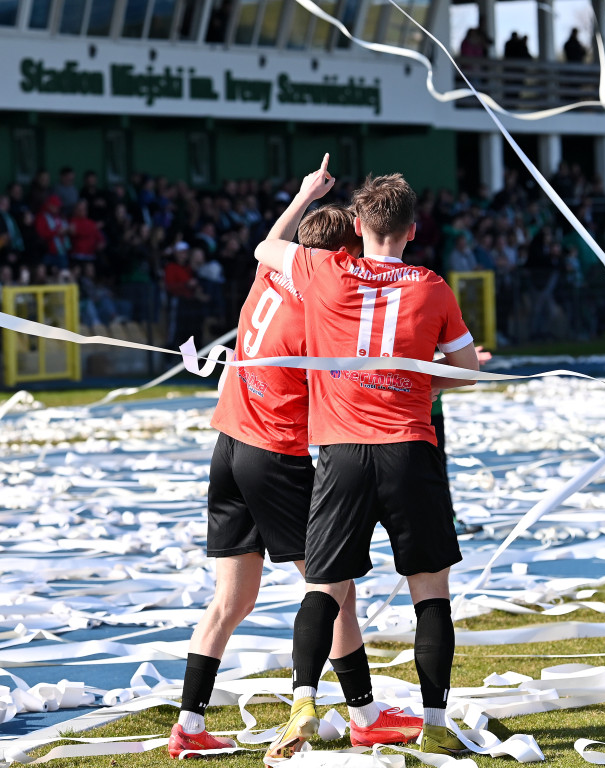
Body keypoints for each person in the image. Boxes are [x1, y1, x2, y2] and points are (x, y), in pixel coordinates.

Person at [169, 193, 424, 759]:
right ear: (337, 255)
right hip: (273, 454)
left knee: (231, 600)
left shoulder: (268, 271)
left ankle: (188, 725)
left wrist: (306, 193)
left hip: (228, 444)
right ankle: (364, 713)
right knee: (335, 586)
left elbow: (272, 238)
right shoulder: (320, 299)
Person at [255, 159, 479, 758]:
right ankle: (433, 721)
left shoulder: (325, 268)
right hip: (409, 449)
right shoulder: (432, 285)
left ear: (357, 225)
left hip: (344, 455)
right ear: (413, 229)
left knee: (324, 589)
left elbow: (265, 248)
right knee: (430, 592)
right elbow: (466, 374)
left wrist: (305, 194)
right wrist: (417, 382)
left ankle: (304, 700)